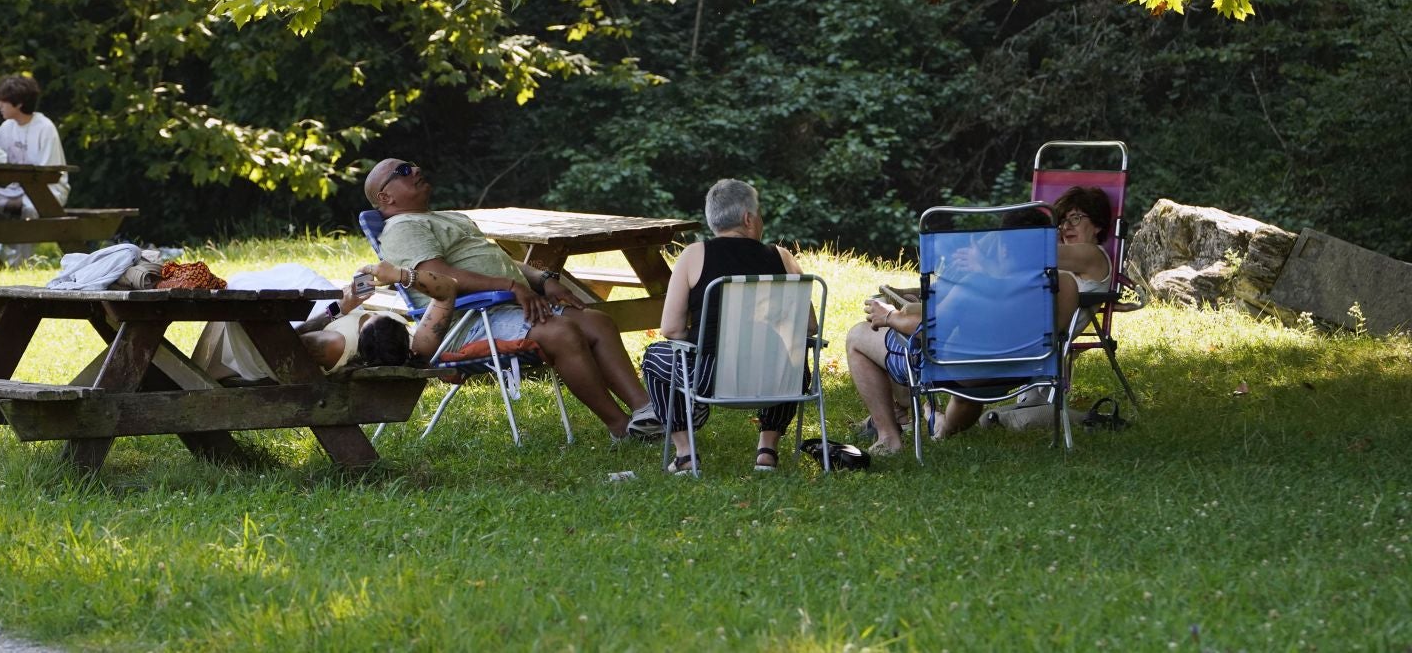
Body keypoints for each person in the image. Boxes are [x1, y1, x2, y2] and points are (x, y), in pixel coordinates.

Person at [362, 157, 661, 440]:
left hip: (504, 307)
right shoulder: (403, 228)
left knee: (597, 321)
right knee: (562, 333)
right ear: (385, 197)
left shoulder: (448, 218)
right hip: (466, 322)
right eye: (402, 172)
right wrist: (510, 286)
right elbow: (439, 277)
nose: (414, 170)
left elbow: (500, 262)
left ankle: (646, 412)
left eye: (412, 166)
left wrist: (543, 280)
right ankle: (620, 427)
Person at [846, 200, 1103, 455]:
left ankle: (889, 436)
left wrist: (889, 317)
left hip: (967, 373)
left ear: (1003, 248)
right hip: (1026, 369)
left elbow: (923, 328)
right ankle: (933, 422)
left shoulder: (974, 287)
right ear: (1048, 247)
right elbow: (1054, 333)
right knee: (963, 381)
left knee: (858, 337)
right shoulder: (1066, 285)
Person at [639, 179, 814, 475]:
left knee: (654, 355)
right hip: (780, 380)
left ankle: (685, 454)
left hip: (711, 379)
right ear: (748, 218)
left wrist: (697, 339)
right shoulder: (781, 257)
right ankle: (767, 450)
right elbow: (808, 326)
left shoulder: (694, 255)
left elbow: (670, 329)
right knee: (793, 361)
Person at [191, 263, 413, 383]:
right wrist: (361, 282)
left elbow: (287, 342)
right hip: (319, 310)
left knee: (246, 293)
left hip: (269, 343)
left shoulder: (335, 345)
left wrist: (341, 308)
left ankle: (207, 371)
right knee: (297, 273)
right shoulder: (398, 333)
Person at [0, 75, 69, 217]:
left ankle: (18, 217)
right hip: (16, 190)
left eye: (3, 101)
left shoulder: (44, 127)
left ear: (18, 103)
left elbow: (49, 172)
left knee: (30, 208)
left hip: (48, 190)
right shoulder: (8, 126)